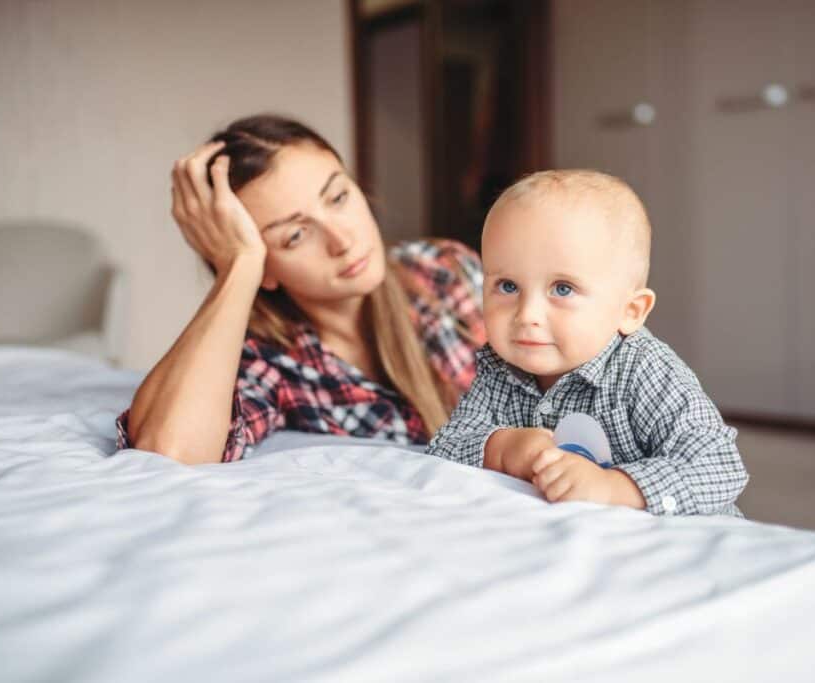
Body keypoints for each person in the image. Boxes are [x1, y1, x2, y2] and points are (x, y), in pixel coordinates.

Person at [118, 115, 486, 464]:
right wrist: (239, 264)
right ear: (265, 268)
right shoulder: (273, 363)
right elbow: (168, 449)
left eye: (338, 197)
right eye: (295, 235)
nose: (342, 241)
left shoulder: (443, 269)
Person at [426, 170, 748, 516]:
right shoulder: (498, 370)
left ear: (630, 311)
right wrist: (503, 448)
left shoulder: (644, 369)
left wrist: (614, 487)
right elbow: (445, 449)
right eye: (507, 286)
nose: (527, 314)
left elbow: (718, 464)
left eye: (562, 288)